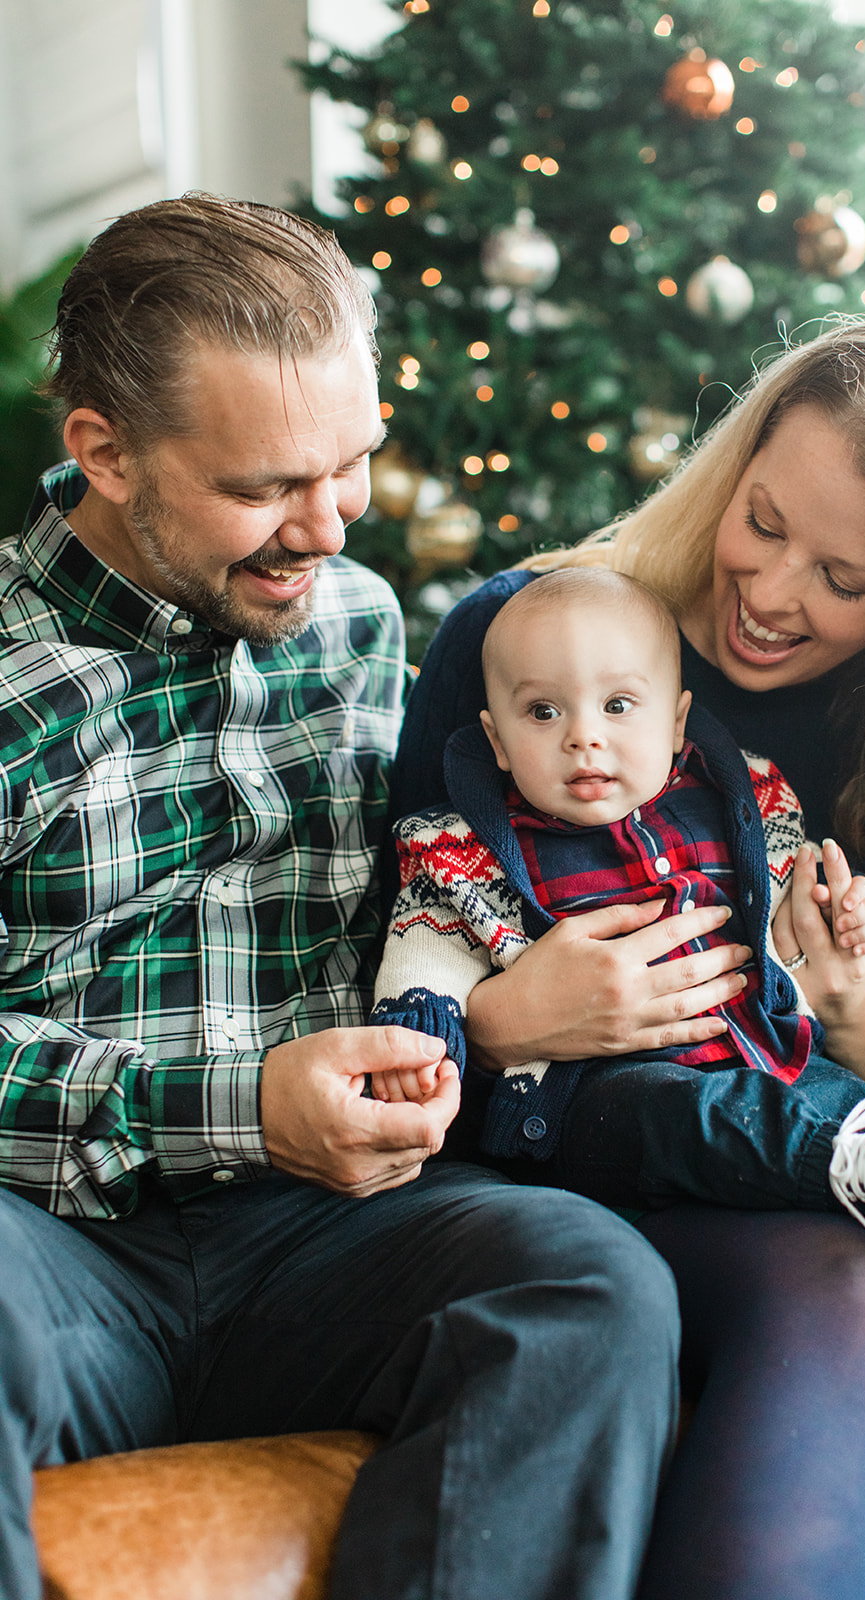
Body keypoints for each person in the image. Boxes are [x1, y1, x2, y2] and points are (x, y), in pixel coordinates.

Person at [0, 193, 683, 1600]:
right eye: (263, 489)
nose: (325, 526)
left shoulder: (365, 624)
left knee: (584, 1285)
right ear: (105, 453)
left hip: (328, 1237)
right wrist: (241, 1106)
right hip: (48, 1246)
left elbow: (453, 887)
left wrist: (469, 1029)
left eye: (354, 462)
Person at [391, 314, 865, 1599]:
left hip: (823, 1140)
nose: (767, 592)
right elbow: (392, 968)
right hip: (572, 1154)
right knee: (857, 1294)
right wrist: (504, 1022)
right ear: (733, 464)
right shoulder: (537, 642)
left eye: (841, 579)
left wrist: (858, 1017)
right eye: (762, 521)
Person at [372, 564, 865, 1377]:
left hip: (760, 1059)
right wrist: (424, 1038)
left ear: (676, 725)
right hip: (595, 1105)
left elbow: (783, 928)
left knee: (828, 1097)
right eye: (542, 712)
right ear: (495, 739)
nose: (583, 737)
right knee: (674, 1109)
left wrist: (841, 931)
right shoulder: (467, 851)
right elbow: (423, 958)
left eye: (618, 707)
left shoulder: (733, 808)